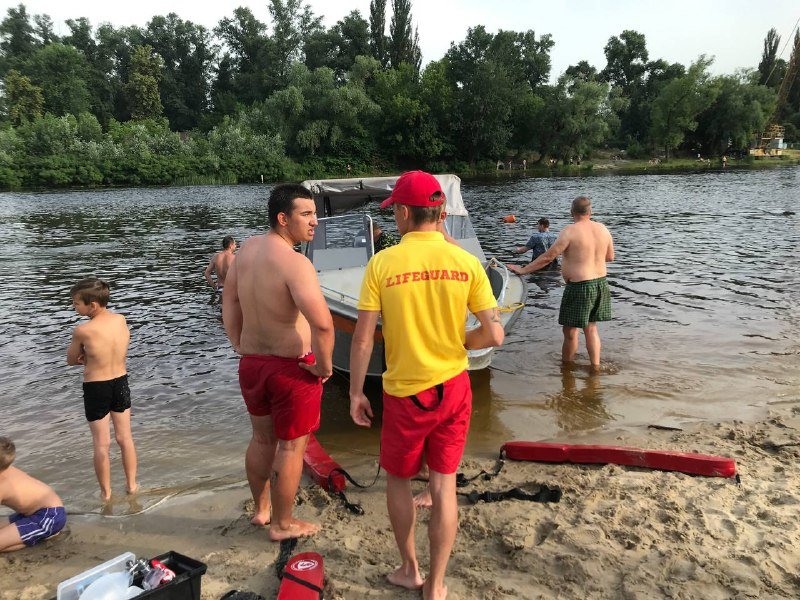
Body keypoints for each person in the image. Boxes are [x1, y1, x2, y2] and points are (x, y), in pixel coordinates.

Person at [349, 171, 504, 599]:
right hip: (454, 387)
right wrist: (459, 341)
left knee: (398, 481)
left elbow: (363, 338)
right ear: (440, 213)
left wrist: (356, 392)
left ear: (401, 212)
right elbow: (493, 336)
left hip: (404, 393)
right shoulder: (466, 263)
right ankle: (436, 586)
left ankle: (409, 569)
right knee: (443, 485)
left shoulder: (382, 263)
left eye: (394, 212)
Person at [223, 183, 334, 541]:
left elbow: (230, 302)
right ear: (283, 219)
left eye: (315, 213)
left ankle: (262, 510)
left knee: (260, 439)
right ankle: (283, 525)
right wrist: (325, 366)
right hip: (291, 369)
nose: (315, 221)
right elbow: (322, 323)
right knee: (290, 447)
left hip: (252, 363)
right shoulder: (295, 262)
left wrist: (236, 341)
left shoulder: (247, 252)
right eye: (307, 214)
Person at [508, 196, 614, 369]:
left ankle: (567, 371)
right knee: (591, 328)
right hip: (601, 284)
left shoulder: (570, 231)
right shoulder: (603, 229)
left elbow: (549, 257)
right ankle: (595, 368)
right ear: (590, 212)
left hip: (580, 287)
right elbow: (610, 257)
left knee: (570, 332)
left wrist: (523, 270)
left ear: (571, 212)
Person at [67, 278, 137, 501]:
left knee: (101, 443)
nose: (74, 307)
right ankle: (132, 486)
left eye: (77, 303)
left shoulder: (83, 330)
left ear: (93, 305)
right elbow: (120, 344)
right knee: (125, 438)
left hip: (97, 387)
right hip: (121, 381)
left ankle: (106, 495)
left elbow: (71, 359)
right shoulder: (120, 320)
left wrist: (84, 356)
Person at [0, 437, 66, 552]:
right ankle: (33, 535)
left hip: (49, 516)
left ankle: (42, 537)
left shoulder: (2, 485)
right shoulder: (6, 468)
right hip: (30, 513)